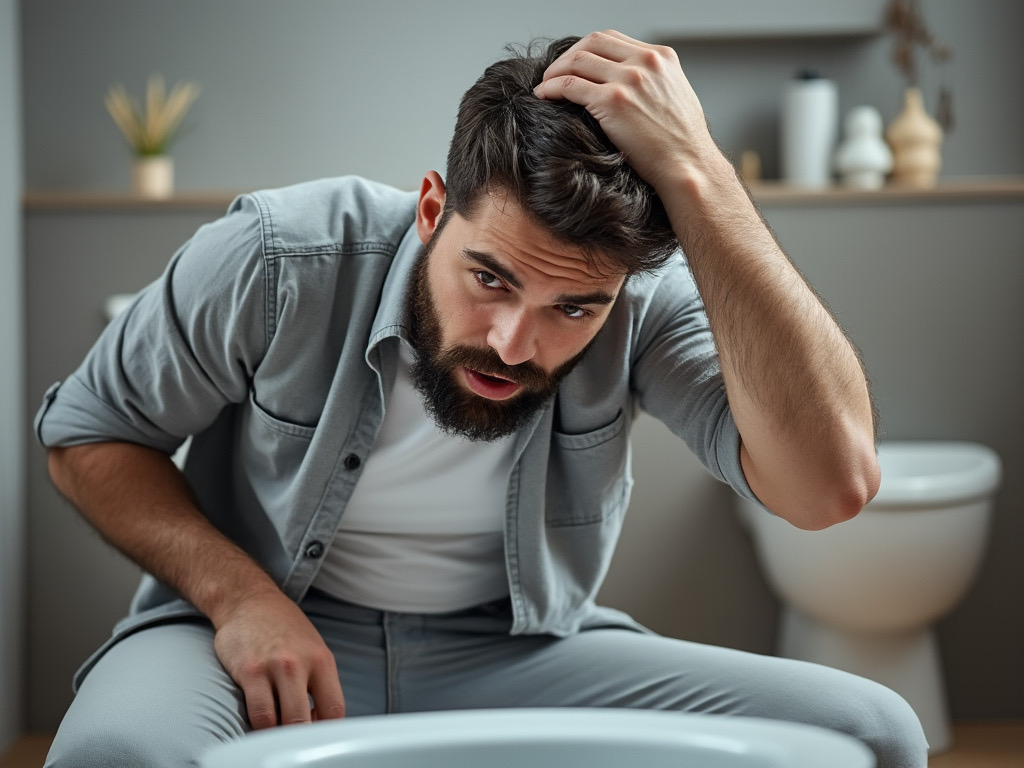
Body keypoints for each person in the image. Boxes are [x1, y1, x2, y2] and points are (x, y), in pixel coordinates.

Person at [37, 31, 927, 768]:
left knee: (871, 734)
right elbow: (86, 435)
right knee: (111, 754)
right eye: (490, 278)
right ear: (431, 209)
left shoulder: (642, 306)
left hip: (516, 651)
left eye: (571, 307)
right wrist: (239, 597)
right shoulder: (280, 256)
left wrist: (702, 174)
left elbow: (831, 486)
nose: (513, 343)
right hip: (255, 632)